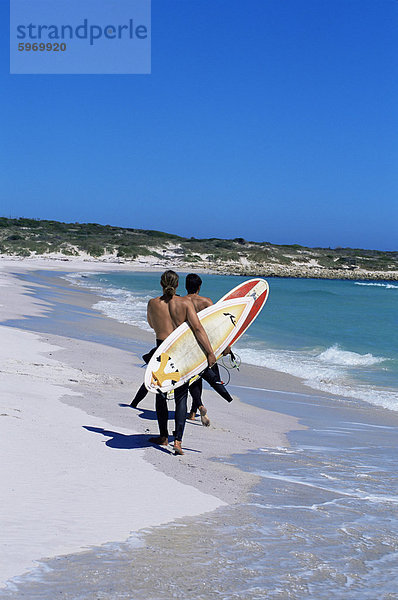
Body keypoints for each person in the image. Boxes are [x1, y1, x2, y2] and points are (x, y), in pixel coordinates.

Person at [146, 270, 216, 455]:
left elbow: (151, 324)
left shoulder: (152, 303)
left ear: (162, 284)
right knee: (181, 396)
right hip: (180, 352)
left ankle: (163, 436)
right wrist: (210, 352)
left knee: (160, 394)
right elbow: (198, 328)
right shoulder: (185, 303)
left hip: (161, 351)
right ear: (178, 285)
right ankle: (177, 442)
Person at [185, 273, 214, 426]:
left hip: (187, 343)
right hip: (204, 342)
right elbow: (216, 324)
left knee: (191, 377)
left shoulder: (181, 301)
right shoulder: (207, 301)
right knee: (199, 376)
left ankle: (196, 407)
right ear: (199, 287)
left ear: (185, 286)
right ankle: (194, 410)